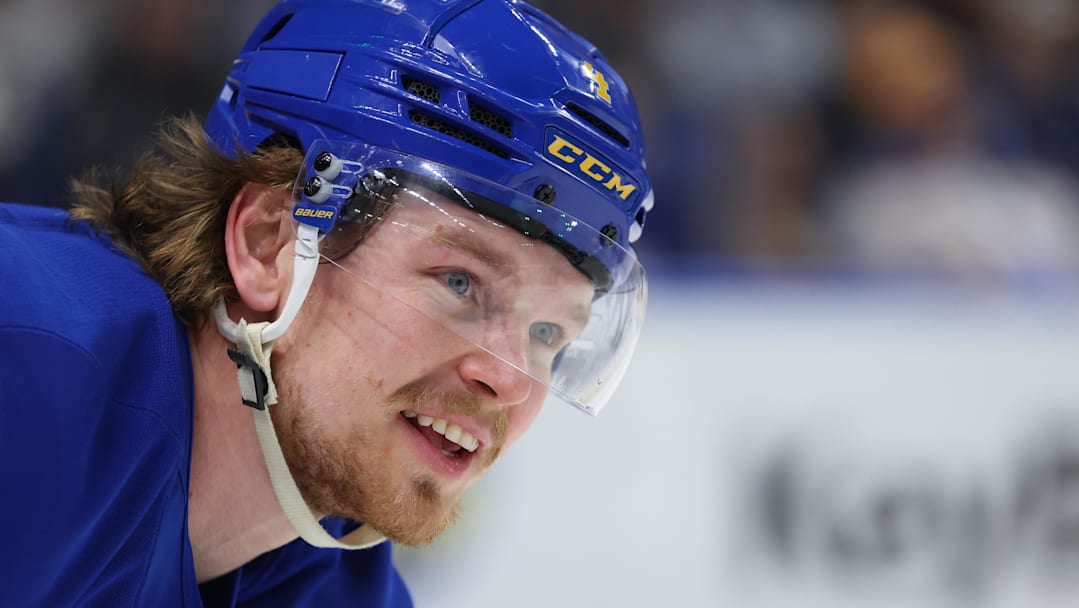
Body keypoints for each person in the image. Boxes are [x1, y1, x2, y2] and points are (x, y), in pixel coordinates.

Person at [0, 0, 654, 605]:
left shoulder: (335, 582)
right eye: (460, 282)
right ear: (267, 244)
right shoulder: (26, 362)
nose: (508, 378)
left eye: (547, 331)